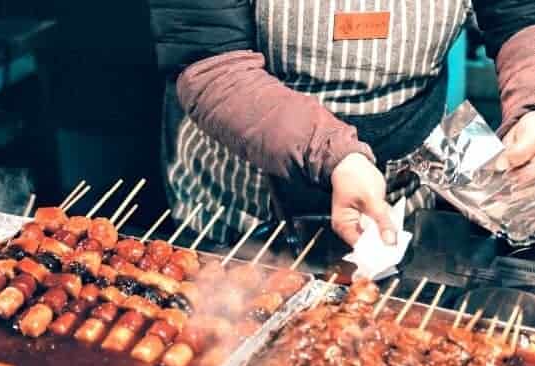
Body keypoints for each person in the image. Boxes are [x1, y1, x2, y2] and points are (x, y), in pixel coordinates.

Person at [148, 1, 535, 247]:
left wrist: (529, 107)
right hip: (244, 196)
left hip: (404, 188)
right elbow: (210, 63)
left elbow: (519, 16)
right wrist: (336, 156)